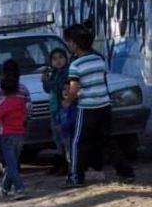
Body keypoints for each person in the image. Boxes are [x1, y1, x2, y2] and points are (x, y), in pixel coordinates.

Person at [61, 23, 135, 187]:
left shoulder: (75, 65)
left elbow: (74, 88)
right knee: (107, 141)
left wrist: (67, 101)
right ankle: (126, 172)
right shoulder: (99, 59)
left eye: (69, 42)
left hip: (87, 108)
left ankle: (75, 177)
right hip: (104, 105)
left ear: (74, 43)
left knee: (78, 142)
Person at [41, 47, 70, 175]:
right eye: (54, 59)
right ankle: (59, 163)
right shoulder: (54, 73)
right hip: (54, 109)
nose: (58, 61)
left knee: (65, 138)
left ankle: (67, 165)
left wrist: (49, 81)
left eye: (61, 57)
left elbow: (59, 88)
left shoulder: (66, 72)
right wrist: (45, 80)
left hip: (63, 109)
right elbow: (48, 89)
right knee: (57, 138)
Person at [57, 82, 78, 171]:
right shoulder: (61, 106)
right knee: (68, 155)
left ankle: (75, 171)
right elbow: (58, 119)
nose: (66, 92)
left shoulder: (75, 106)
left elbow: (73, 121)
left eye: (68, 89)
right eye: (64, 89)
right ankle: (71, 171)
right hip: (65, 136)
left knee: (74, 154)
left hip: (73, 136)